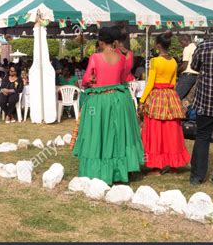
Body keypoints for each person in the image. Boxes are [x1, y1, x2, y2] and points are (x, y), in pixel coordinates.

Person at [72, 27, 144, 184]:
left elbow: (85, 80)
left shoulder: (96, 57)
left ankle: (98, 170)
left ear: (101, 42)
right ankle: (121, 169)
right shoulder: (123, 58)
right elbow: (123, 78)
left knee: (99, 134)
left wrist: (91, 80)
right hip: (119, 99)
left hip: (99, 101)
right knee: (119, 134)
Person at [139, 31, 190, 175]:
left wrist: (142, 100)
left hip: (157, 96)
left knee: (155, 130)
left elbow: (150, 83)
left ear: (157, 45)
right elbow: (174, 82)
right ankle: (173, 165)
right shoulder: (174, 61)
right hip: (170, 96)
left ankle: (156, 166)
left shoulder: (155, 61)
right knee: (172, 130)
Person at [189, 21, 213, 185]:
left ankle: (197, 176)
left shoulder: (203, 46)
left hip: (206, 100)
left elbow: (194, 66)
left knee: (202, 137)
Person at [176, 34, 199, 99]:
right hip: (195, 76)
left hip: (187, 76)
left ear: (185, 41)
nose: (181, 45)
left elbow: (184, 66)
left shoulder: (187, 48)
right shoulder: (196, 47)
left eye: (181, 42)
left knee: (176, 98)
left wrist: (176, 72)